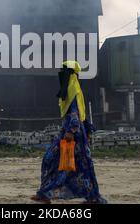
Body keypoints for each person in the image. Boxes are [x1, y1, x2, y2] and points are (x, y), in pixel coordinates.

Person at [32, 61, 107, 204]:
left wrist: (72, 131)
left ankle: (92, 197)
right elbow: (81, 112)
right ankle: (46, 194)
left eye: (65, 70)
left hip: (73, 135)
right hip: (71, 133)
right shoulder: (71, 90)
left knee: (62, 163)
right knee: (67, 164)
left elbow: (76, 113)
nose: (62, 74)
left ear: (71, 74)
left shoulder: (73, 90)